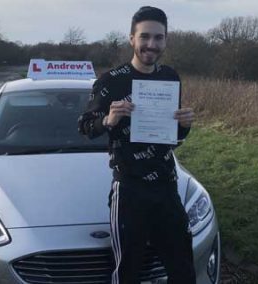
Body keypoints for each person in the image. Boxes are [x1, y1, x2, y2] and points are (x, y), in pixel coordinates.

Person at [78, 6, 196, 284]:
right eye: (145, 37)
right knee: (128, 270)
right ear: (131, 38)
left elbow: (172, 136)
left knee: (182, 269)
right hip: (129, 188)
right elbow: (84, 128)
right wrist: (108, 119)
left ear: (166, 40)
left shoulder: (170, 77)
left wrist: (184, 126)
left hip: (166, 185)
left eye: (158, 38)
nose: (151, 45)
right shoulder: (110, 82)